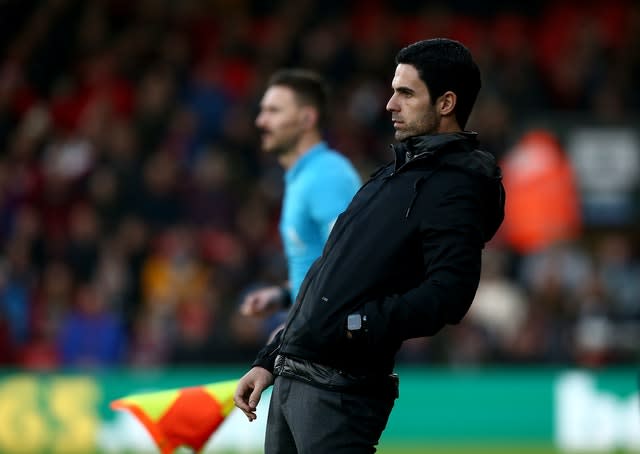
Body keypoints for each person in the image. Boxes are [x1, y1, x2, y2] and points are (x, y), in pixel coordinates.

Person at [234, 38, 506, 453]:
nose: (389, 104)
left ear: (446, 102)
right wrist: (271, 357)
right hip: (296, 379)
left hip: (341, 389)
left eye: (406, 93)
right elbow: (329, 276)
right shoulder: (391, 175)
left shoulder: (456, 186)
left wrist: (357, 324)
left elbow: (450, 293)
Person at [239, 69, 361, 319]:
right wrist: (284, 296)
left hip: (329, 347)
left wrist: (298, 335)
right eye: (263, 111)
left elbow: (350, 267)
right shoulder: (302, 178)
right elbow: (320, 267)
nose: (261, 121)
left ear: (307, 119)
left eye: (274, 111)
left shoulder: (327, 176)